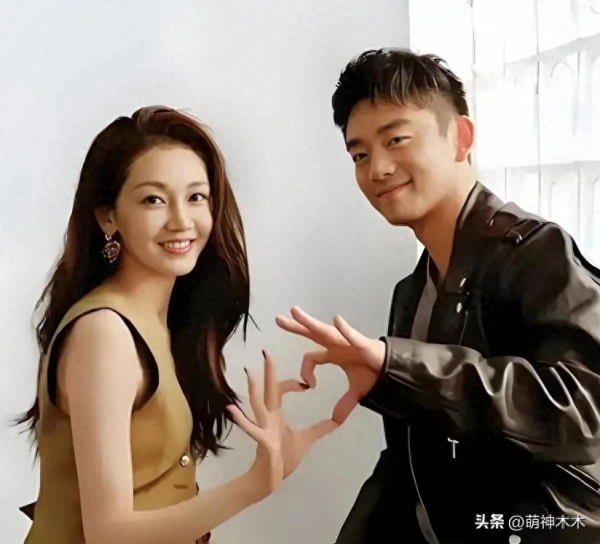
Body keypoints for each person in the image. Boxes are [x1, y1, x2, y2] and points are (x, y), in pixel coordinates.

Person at [275, 49, 600, 543]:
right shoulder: (412, 291)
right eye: (360, 155)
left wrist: (400, 366)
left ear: (460, 138)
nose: (378, 168)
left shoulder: (537, 252)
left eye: (396, 140)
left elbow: (585, 409)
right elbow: (409, 462)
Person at [17, 105, 337, 544]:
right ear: (108, 216)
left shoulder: (162, 322)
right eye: (153, 199)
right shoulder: (105, 333)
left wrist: (275, 463)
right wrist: (256, 483)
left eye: (196, 197)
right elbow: (109, 533)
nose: (182, 221)